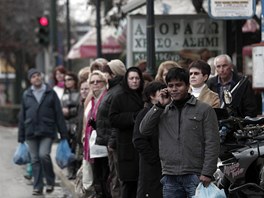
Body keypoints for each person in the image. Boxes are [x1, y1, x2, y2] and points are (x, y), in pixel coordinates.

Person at [140, 67, 220, 198]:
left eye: (179, 85)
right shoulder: (162, 109)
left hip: (196, 174)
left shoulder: (204, 109)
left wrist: (207, 172)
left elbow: (212, 142)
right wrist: (159, 106)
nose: (174, 89)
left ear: (187, 85)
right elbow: (144, 129)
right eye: (170, 86)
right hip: (170, 176)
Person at [18, 68, 67, 195]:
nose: (36, 78)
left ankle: (50, 181)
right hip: (31, 132)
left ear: (41, 77)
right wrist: (21, 137)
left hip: (47, 130)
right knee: (34, 159)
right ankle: (37, 187)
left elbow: (58, 114)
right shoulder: (26, 94)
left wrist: (63, 134)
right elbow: (22, 116)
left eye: (38, 75)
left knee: (43, 155)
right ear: (30, 80)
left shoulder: (50, 92)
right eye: (33, 77)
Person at [109, 67, 144, 198]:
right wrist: (133, 117)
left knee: (141, 183)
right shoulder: (119, 97)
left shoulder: (144, 95)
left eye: (137, 78)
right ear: (126, 80)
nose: (134, 81)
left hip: (142, 145)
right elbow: (112, 119)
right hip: (126, 145)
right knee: (128, 183)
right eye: (131, 78)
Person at [96, 59, 127, 198]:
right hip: (110, 140)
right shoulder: (112, 90)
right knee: (113, 176)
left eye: (106, 73)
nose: (104, 76)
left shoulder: (117, 92)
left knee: (117, 176)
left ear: (113, 74)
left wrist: (112, 141)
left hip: (115, 142)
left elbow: (116, 119)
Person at [133, 81, 166, 198]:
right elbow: (138, 140)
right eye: (160, 92)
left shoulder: (167, 111)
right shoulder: (144, 113)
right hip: (152, 166)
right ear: (152, 95)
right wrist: (154, 159)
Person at [82, 70, 108, 197]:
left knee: (104, 174)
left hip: (104, 142)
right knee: (97, 175)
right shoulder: (90, 100)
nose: (96, 84)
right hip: (92, 142)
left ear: (104, 82)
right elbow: (85, 120)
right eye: (92, 82)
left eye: (99, 81)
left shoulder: (106, 97)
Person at [61, 72, 80, 180]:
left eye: (69, 79)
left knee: (75, 148)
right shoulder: (64, 94)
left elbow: (78, 108)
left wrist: (69, 111)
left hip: (75, 123)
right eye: (66, 80)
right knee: (67, 148)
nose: (67, 82)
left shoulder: (79, 93)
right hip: (65, 125)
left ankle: (76, 170)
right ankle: (70, 169)